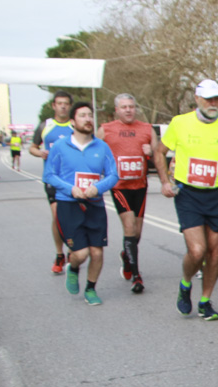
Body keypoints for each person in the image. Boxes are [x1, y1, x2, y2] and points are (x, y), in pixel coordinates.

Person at [153, 79, 218, 321]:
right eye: (208, 99)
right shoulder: (180, 123)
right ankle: (185, 284)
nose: (213, 103)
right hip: (189, 194)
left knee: (215, 253)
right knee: (197, 251)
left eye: (216, 99)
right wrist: (165, 181)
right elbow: (159, 152)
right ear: (197, 99)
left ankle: (205, 301)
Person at [43, 102, 119, 306]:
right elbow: (49, 175)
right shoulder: (60, 146)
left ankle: (91, 289)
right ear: (73, 120)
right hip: (69, 204)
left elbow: (113, 175)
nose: (88, 119)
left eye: (90, 115)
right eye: (83, 115)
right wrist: (71, 189)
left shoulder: (102, 147)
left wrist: (98, 187)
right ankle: (73, 267)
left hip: (94, 204)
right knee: (81, 253)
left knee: (97, 252)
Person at [98, 93, 155, 294]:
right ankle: (137, 277)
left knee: (136, 233)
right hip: (119, 186)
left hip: (140, 186)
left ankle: (126, 255)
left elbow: (159, 157)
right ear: (117, 110)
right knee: (129, 227)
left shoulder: (147, 129)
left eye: (131, 106)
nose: (129, 110)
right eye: (124, 107)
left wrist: (150, 152)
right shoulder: (106, 130)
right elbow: (93, 153)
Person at [29, 91, 74, 275]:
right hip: (53, 178)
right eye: (59, 103)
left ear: (69, 106)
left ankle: (72, 251)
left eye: (66, 103)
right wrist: (40, 153)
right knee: (58, 216)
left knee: (73, 217)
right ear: (54, 106)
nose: (63, 106)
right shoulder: (45, 126)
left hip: (73, 180)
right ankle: (59, 253)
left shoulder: (75, 125)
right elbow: (33, 147)